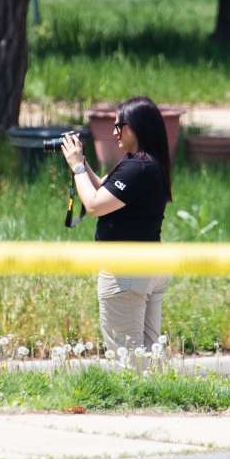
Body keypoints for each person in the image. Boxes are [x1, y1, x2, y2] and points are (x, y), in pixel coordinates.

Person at [60, 96, 172, 361]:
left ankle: (137, 401)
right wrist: (81, 161)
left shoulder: (137, 168)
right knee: (149, 352)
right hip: (148, 265)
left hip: (126, 270)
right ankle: (157, 399)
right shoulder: (145, 162)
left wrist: (76, 168)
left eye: (118, 126)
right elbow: (102, 189)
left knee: (127, 357)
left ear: (135, 126)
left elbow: (95, 204)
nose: (113, 132)